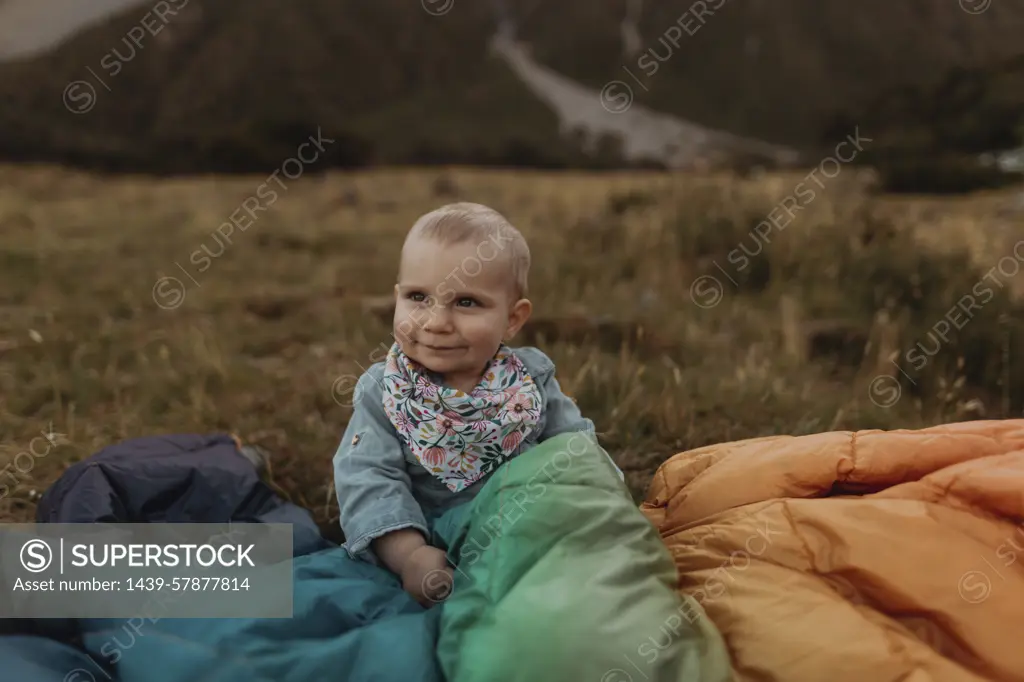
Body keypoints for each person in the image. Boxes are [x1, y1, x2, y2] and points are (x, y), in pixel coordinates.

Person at [333, 202, 616, 606]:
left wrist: (604, 511)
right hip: (432, 554)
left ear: (513, 319)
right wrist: (409, 554)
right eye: (418, 297)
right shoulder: (385, 390)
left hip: (526, 537)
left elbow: (578, 453)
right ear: (396, 298)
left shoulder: (531, 381)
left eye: (466, 303)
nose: (436, 322)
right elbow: (369, 479)